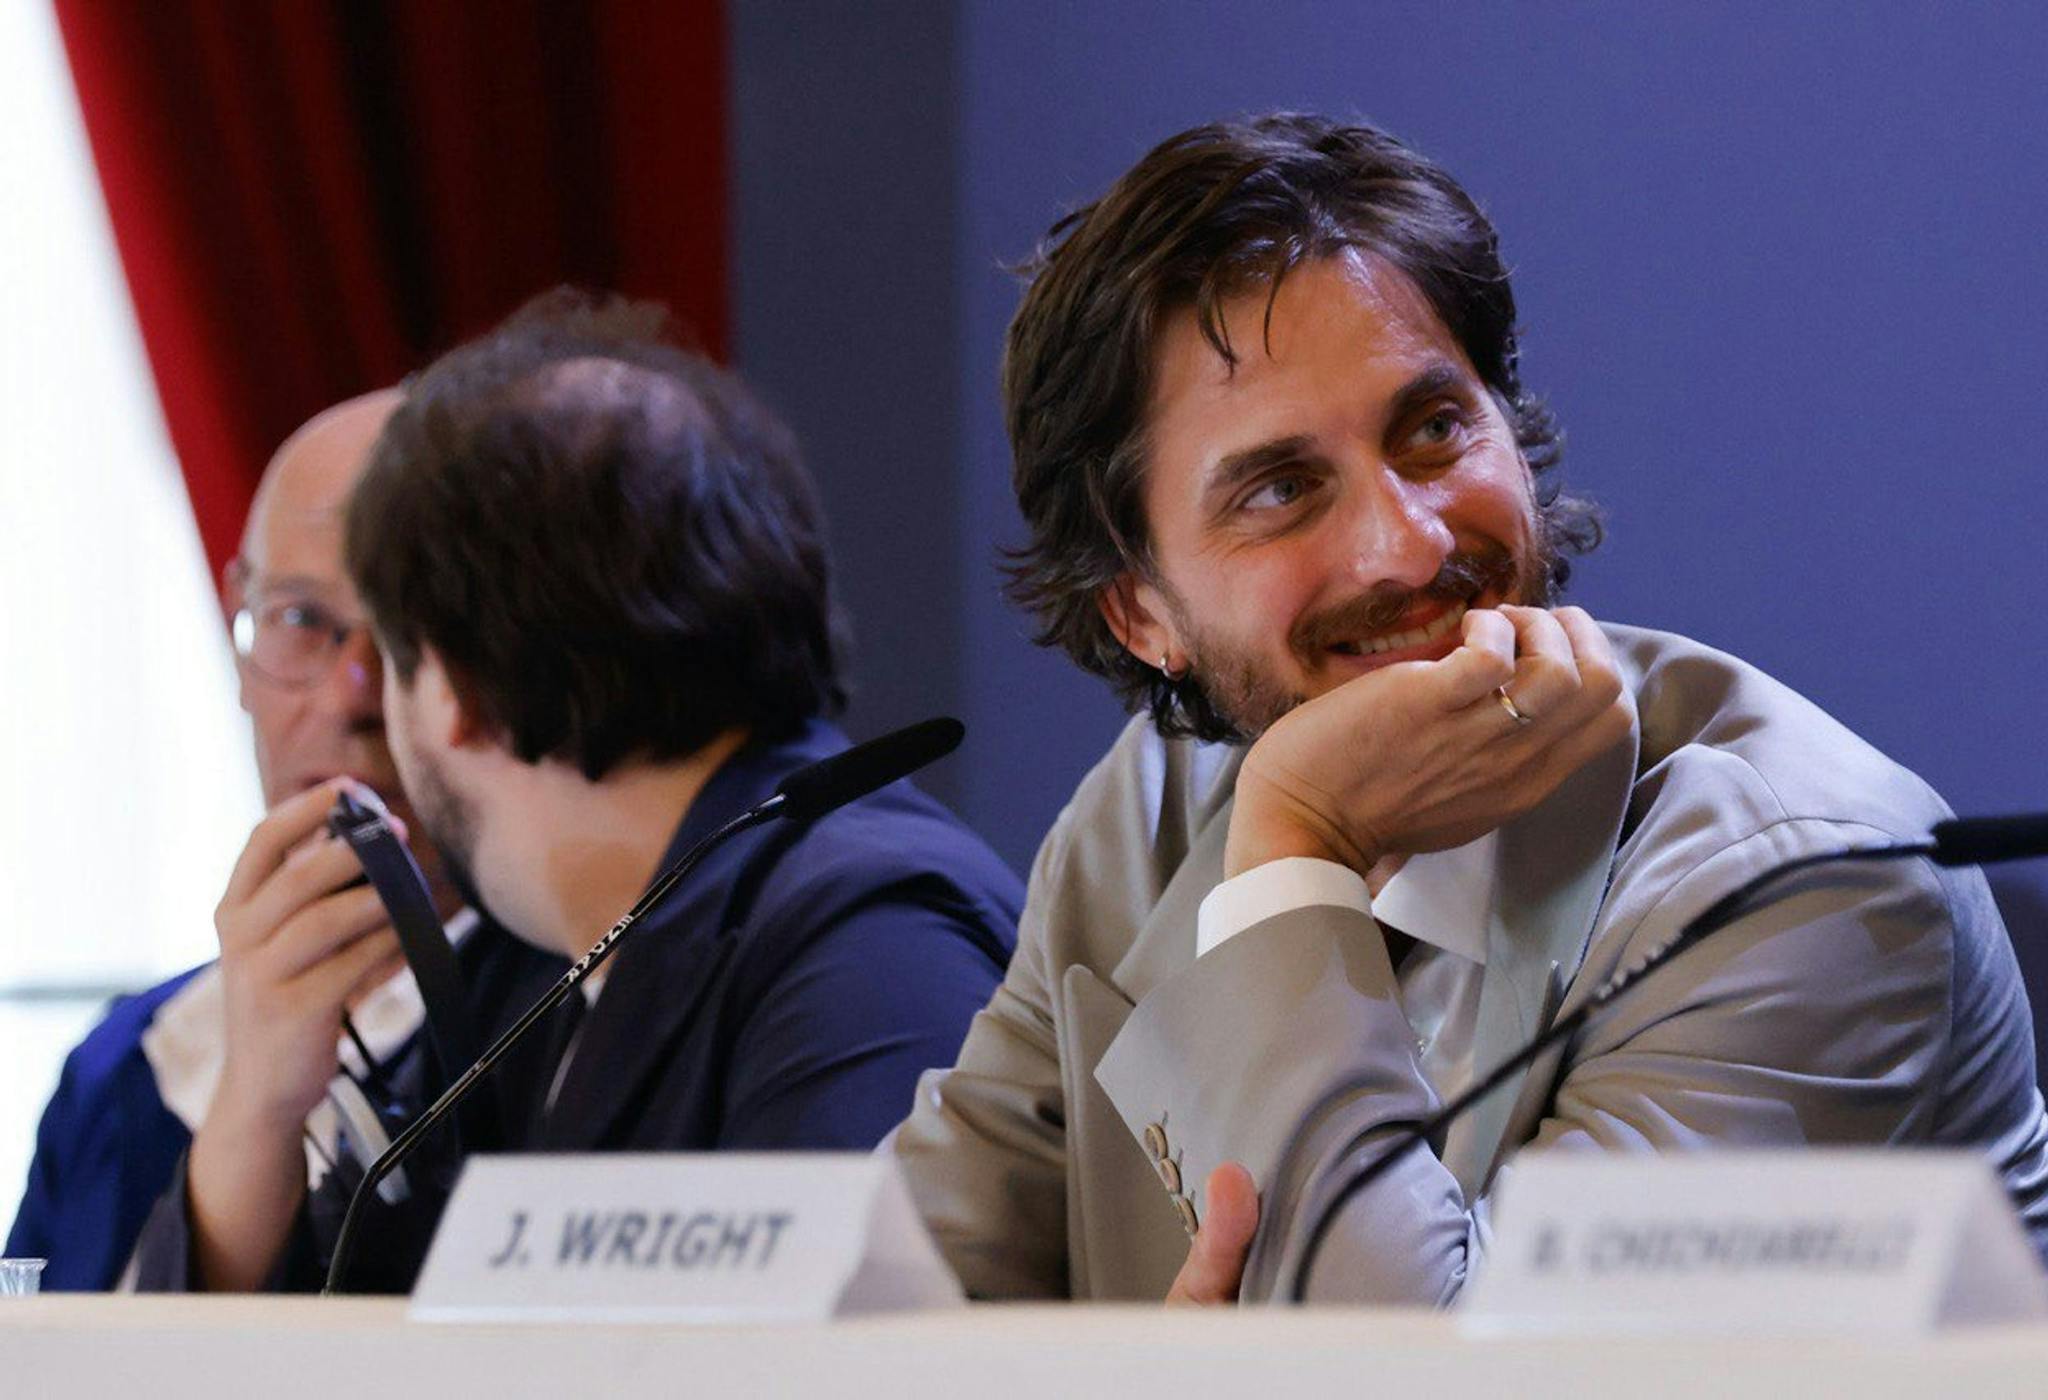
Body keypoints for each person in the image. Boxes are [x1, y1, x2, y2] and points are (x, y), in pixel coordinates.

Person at [890, 113, 2048, 1304]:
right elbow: (866, 1326)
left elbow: (1411, 1379)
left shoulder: (1801, 878)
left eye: (1432, 429)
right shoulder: (1139, 820)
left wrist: (1296, 846)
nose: (1406, 544)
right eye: (1282, 490)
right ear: (1140, 614)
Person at [133, 291, 1022, 1293]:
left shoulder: (873, 943)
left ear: (454, 690)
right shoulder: (541, 964)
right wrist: (258, 1106)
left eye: (387, 652)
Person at [6, 391, 560, 1290]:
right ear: (239, 625)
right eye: (300, 619)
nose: (351, 694)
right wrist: (254, 1105)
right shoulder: (121, 1064)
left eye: (406, 637)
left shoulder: (574, 1017)